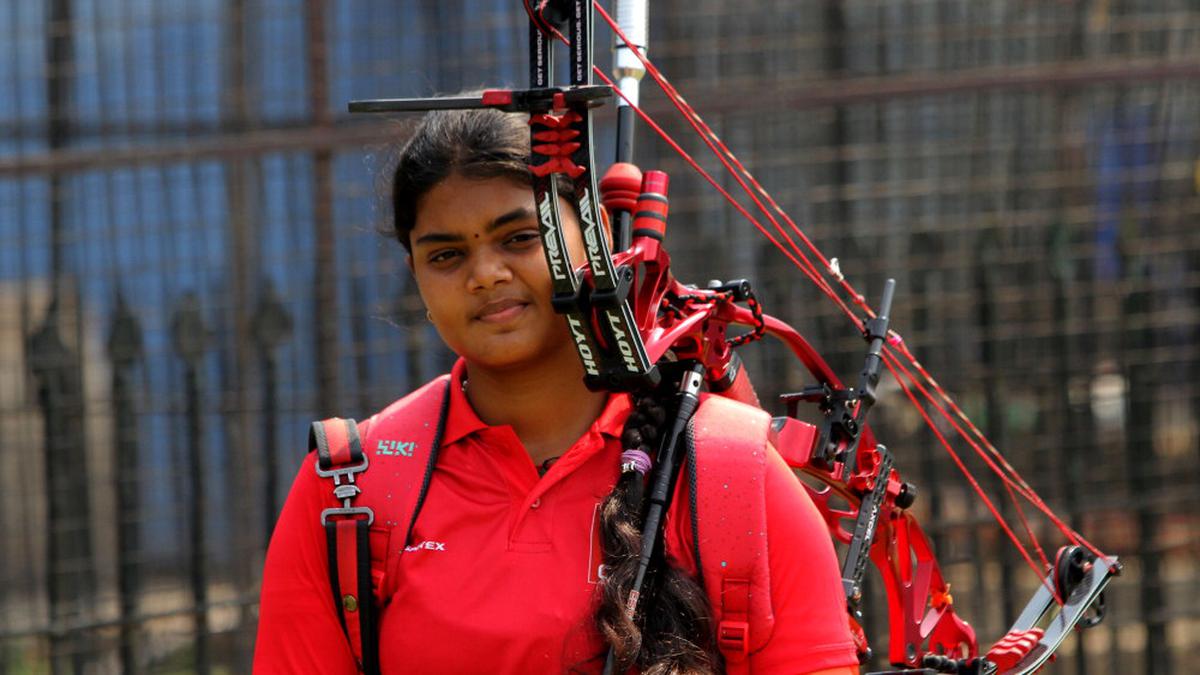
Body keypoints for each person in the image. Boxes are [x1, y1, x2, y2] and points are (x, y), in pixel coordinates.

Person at [253, 108, 860, 674]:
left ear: (594, 237)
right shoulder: (348, 490)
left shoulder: (735, 479)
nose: (485, 274)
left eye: (519, 238)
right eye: (446, 254)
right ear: (415, 274)